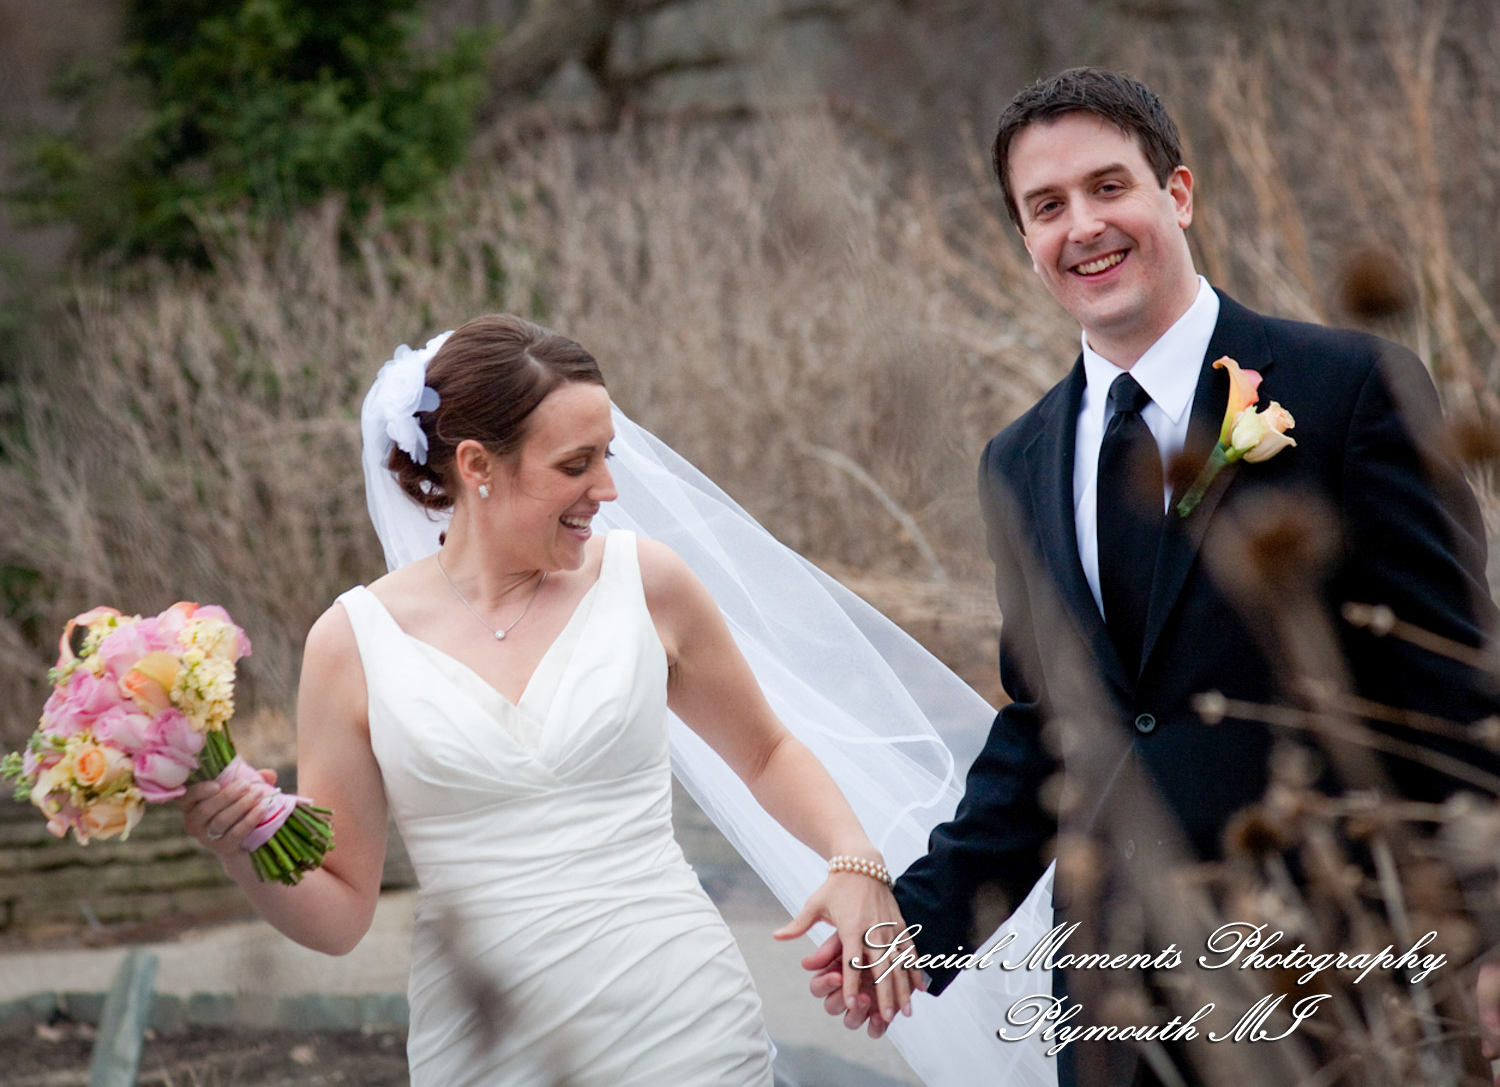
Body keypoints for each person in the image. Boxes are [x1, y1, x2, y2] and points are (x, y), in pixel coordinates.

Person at [807, 67, 1500, 1083]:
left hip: (1340, 977)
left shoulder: (1346, 391)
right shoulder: (1019, 460)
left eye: (1108, 187)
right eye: (1046, 207)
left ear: (1177, 193)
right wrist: (921, 922)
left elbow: (1453, 680)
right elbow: (1052, 728)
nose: (1082, 225)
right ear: (1026, 239)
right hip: (1118, 1002)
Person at [179, 314, 919, 1086]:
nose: (608, 489)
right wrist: (244, 847)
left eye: (607, 456)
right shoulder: (350, 643)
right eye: (576, 465)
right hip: (485, 1046)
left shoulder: (648, 582)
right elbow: (339, 916)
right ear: (477, 465)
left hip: (684, 1021)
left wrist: (856, 861)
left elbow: (767, 752)